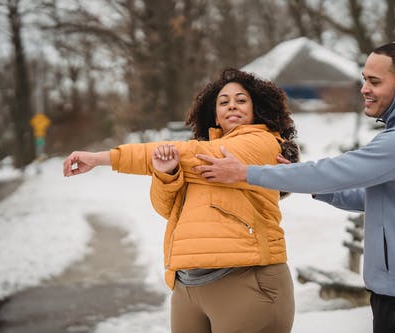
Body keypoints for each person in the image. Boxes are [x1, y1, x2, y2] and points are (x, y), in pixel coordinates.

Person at [194, 43, 395, 333]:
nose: (364, 88)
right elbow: (376, 197)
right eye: (364, 78)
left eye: (375, 81)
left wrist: (245, 173)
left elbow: (336, 171)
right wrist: (317, 188)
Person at [63, 68, 299, 333]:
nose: (232, 105)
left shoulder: (263, 142)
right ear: (215, 114)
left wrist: (101, 158)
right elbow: (166, 208)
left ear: (259, 108)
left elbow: (194, 154)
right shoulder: (194, 154)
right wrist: (166, 173)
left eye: (241, 100)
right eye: (224, 101)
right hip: (189, 287)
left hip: (245, 280)